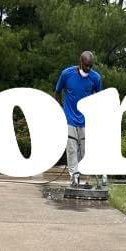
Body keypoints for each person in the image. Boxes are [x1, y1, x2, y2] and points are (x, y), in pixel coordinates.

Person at [54, 50, 105, 188]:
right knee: (71, 149)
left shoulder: (95, 78)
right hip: (69, 118)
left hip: (86, 120)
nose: (88, 69)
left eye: (90, 66)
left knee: (85, 152)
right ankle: (74, 177)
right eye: (86, 65)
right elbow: (57, 92)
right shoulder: (67, 74)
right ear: (81, 62)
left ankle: (93, 175)